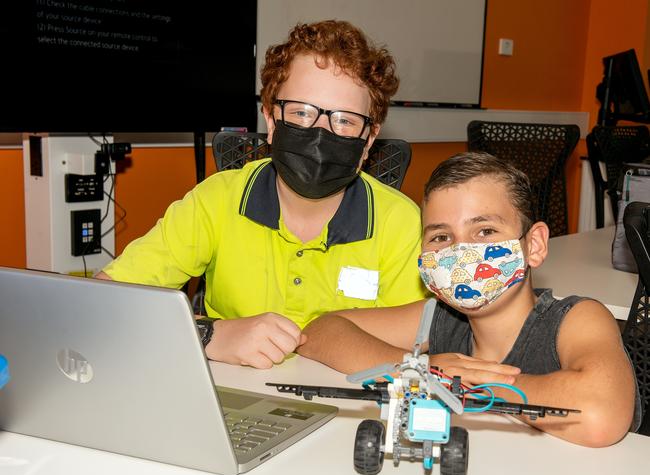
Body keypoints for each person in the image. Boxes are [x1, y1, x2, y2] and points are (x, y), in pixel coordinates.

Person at [95, 20, 427, 369]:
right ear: (271, 120)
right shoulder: (217, 200)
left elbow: (418, 341)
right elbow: (105, 301)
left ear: (368, 140)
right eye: (301, 113)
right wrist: (209, 335)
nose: (320, 133)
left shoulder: (399, 222)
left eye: (344, 121)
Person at [297, 151, 641, 447]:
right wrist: (418, 368)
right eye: (441, 236)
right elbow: (319, 332)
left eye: (485, 231)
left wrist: (460, 382)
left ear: (533, 245)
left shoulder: (576, 318)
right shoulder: (441, 316)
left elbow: (600, 415)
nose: (460, 251)